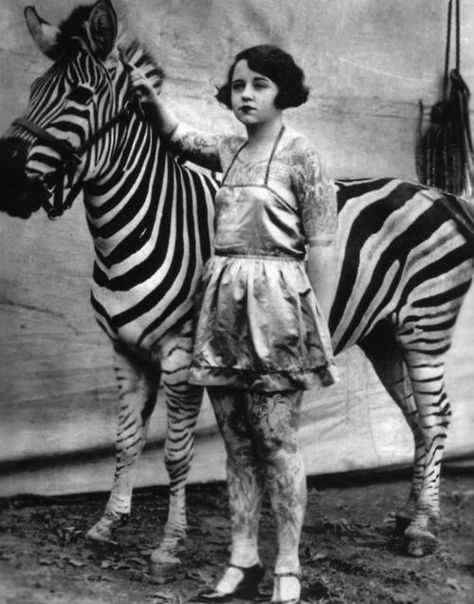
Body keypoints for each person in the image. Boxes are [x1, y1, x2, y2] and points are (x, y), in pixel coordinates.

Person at [131, 44, 338, 604]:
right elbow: (179, 137)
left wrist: (313, 325)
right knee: (237, 444)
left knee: (277, 440)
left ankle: (288, 565)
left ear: (283, 92)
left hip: (279, 315)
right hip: (221, 311)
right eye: (238, 84)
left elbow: (322, 247)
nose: (246, 94)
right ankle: (242, 559)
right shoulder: (229, 149)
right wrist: (150, 101)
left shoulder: (303, 156)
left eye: (260, 85)